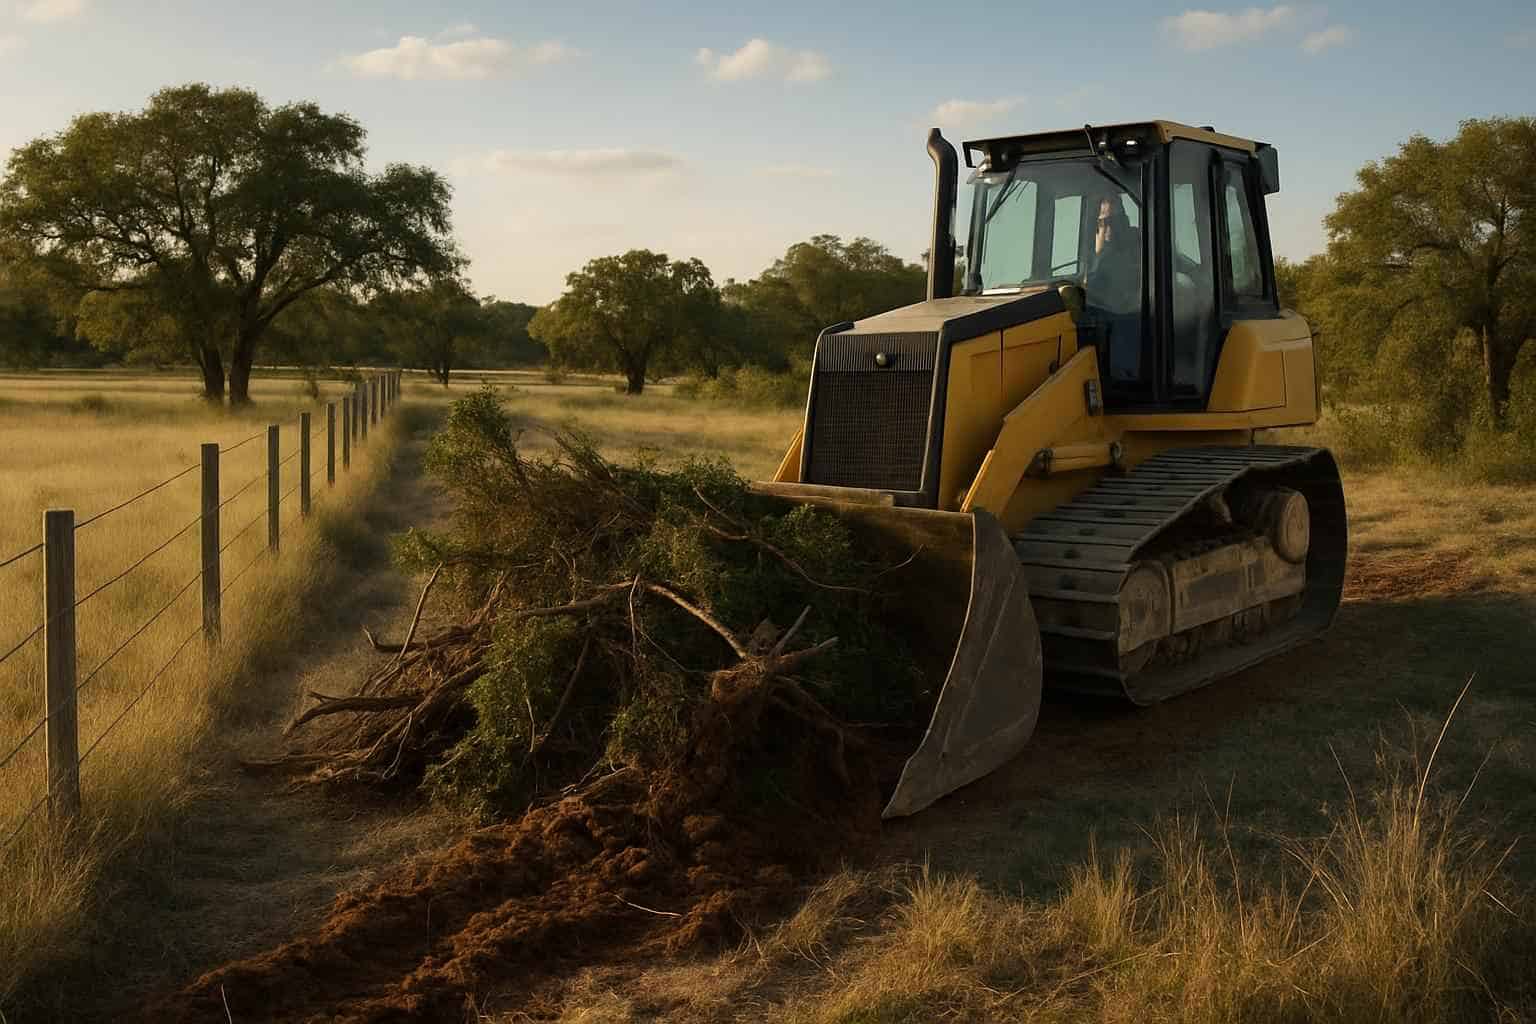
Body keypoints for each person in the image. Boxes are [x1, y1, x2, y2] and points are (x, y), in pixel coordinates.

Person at [1086, 194, 1143, 381]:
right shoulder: (1086, 264)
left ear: (1125, 223)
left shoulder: (1140, 250)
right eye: (1103, 223)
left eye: (1116, 222)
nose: (1109, 229)